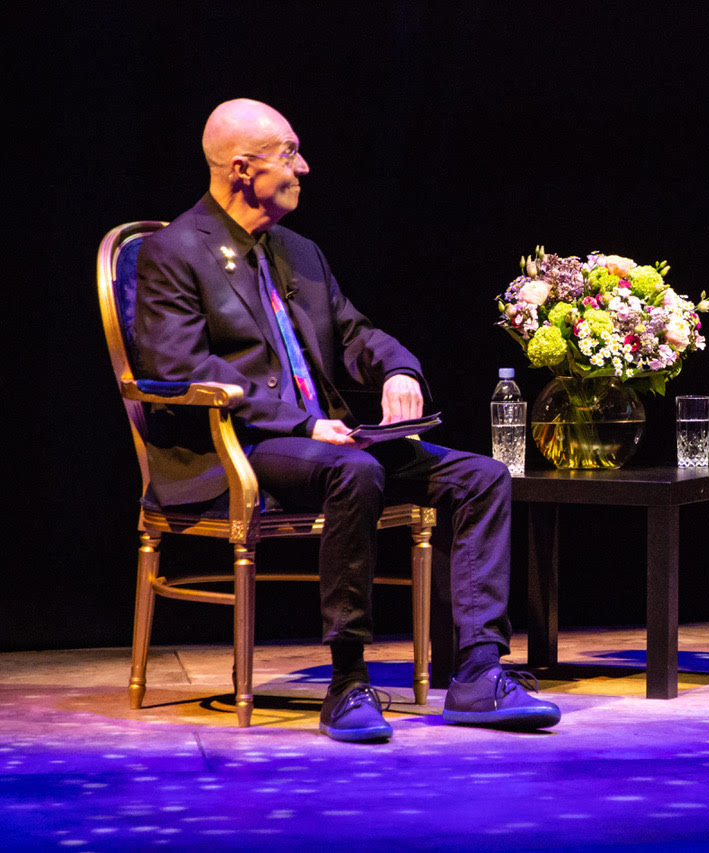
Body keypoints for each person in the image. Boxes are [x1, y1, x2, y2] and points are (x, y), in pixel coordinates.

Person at [134, 98, 560, 740]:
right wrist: (302, 425)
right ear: (243, 169)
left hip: (327, 445)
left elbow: (356, 333)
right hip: (236, 447)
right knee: (355, 470)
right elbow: (183, 369)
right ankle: (348, 681)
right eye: (289, 154)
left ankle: (478, 672)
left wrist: (398, 371)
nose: (303, 167)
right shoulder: (174, 252)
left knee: (482, 477)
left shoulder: (300, 251)